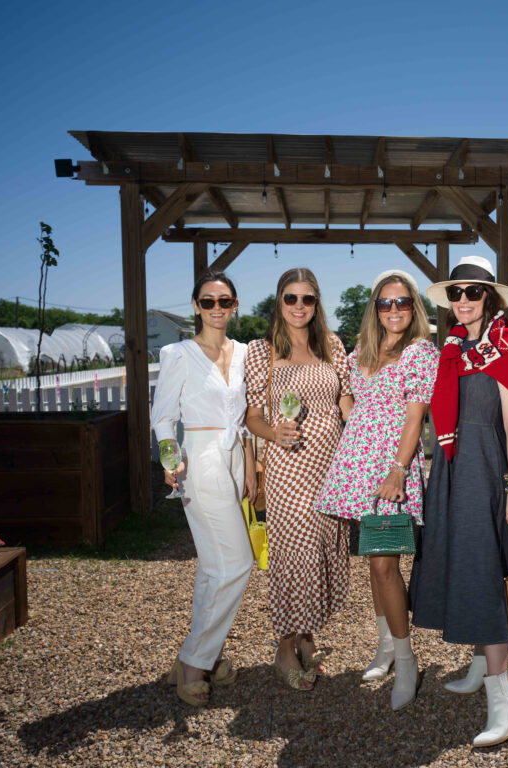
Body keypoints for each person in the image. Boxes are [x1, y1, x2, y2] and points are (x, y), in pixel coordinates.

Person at [410, 255, 508, 749]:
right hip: (452, 468)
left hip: (485, 470)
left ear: (491, 298)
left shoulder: (505, 347)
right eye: (455, 293)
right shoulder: (454, 348)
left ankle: (503, 697)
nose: (463, 300)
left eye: (473, 292)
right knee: (464, 566)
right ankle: (482, 664)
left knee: (484, 572)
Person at [315, 269, 438, 709]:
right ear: (375, 308)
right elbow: (349, 399)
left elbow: (415, 418)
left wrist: (398, 471)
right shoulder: (363, 350)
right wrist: (353, 422)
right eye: (385, 303)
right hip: (357, 466)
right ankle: (386, 647)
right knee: (374, 561)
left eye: (402, 302)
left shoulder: (420, 352)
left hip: (390, 469)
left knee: (386, 566)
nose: (394, 310)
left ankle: (406, 661)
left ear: (413, 306)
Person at [245, 268, 354, 691]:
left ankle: (307, 638)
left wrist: (362, 431)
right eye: (290, 298)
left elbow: (345, 399)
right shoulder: (262, 351)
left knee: (322, 548)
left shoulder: (332, 345)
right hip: (289, 467)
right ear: (279, 301)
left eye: (307, 298)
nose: (298, 306)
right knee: (296, 553)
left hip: (330, 464)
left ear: (316, 303)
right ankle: (285, 648)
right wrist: (274, 433)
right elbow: (254, 416)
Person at [150, 270, 256, 706]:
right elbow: (162, 417)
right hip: (201, 457)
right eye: (208, 301)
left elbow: (247, 417)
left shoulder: (247, 352)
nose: (216, 308)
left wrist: (251, 468)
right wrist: (170, 459)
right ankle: (195, 661)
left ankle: (203, 657)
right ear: (195, 306)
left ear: (235, 306)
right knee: (238, 563)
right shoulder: (177, 353)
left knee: (214, 566)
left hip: (236, 458)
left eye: (224, 301)